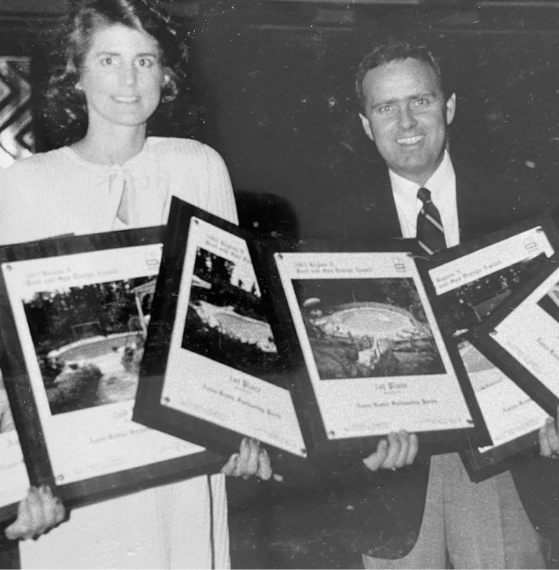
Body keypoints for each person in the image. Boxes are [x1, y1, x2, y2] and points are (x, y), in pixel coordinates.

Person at [0, 1, 269, 567]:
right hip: (76, 479)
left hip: (182, 465)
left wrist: (248, 427)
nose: (128, 80)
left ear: (167, 75)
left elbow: (235, 309)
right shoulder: (23, 188)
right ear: (75, 73)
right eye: (108, 60)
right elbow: (10, 358)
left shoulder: (200, 167)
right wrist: (10, 486)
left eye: (145, 61)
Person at [310, 41, 556, 568]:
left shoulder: (522, 200)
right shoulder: (330, 229)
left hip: (508, 456)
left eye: (420, 101)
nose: (406, 122)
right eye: (385, 107)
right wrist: (361, 434)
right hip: (396, 469)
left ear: (448, 107)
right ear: (364, 123)